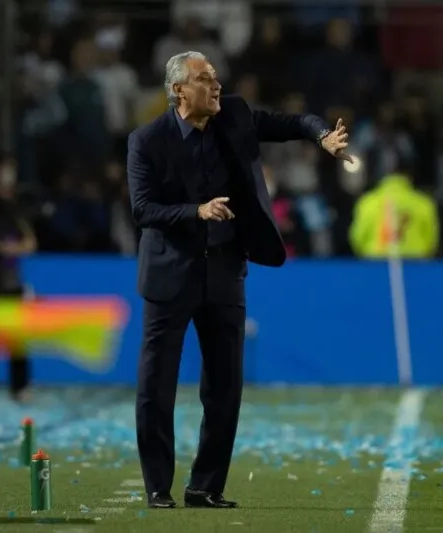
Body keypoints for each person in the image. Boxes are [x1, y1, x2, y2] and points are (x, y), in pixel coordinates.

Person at [127, 51, 350, 509]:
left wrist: (321, 135)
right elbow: (143, 209)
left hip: (226, 270)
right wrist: (196, 211)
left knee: (226, 388)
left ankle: (204, 486)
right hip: (171, 274)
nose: (215, 85)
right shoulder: (146, 140)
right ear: (178, 91)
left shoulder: (237, 114)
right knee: (156, 386)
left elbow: (289, 122)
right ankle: (157, 486)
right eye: (204, 79)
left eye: (215, 77)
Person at [0, 153, 37, 402]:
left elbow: (30, 241)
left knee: (17, 338)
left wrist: (12, 248)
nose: (9, 176)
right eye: (4, 170)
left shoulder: (13, 206)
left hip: (10, 280)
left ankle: (20, 386)